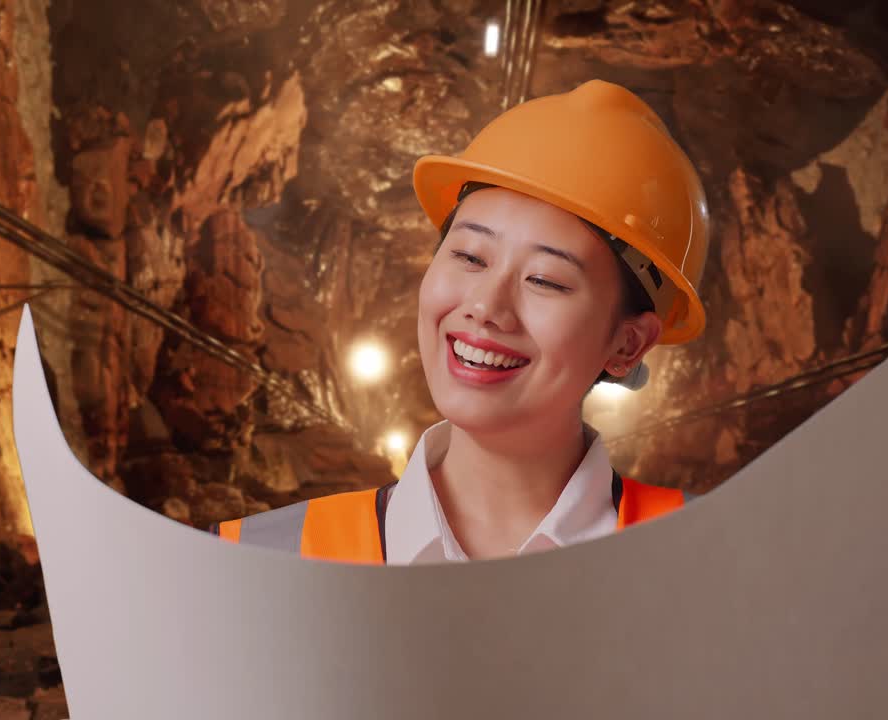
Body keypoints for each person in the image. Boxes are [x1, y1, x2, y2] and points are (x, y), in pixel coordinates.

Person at [210, 79, 711, 564]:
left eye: (546, 280)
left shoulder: (708, 565)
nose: (486, 306)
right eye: (471, 257)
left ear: (627, 345)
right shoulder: (249, 564)